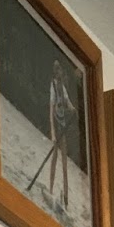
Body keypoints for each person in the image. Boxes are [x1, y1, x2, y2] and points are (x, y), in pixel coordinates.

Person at [47, 60, 78, 214]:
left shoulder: (63, 88)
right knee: (54, 159)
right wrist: (53, 133)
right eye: (58, 70)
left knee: (65, 163)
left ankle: (66, 200)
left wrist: (74, 110)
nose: (60, 73)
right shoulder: (53, 86)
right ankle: (50, 190)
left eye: (61, 71)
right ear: (55, 72)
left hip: (63, 125)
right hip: (57, 125)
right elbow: (51, 111)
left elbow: (69, 104)